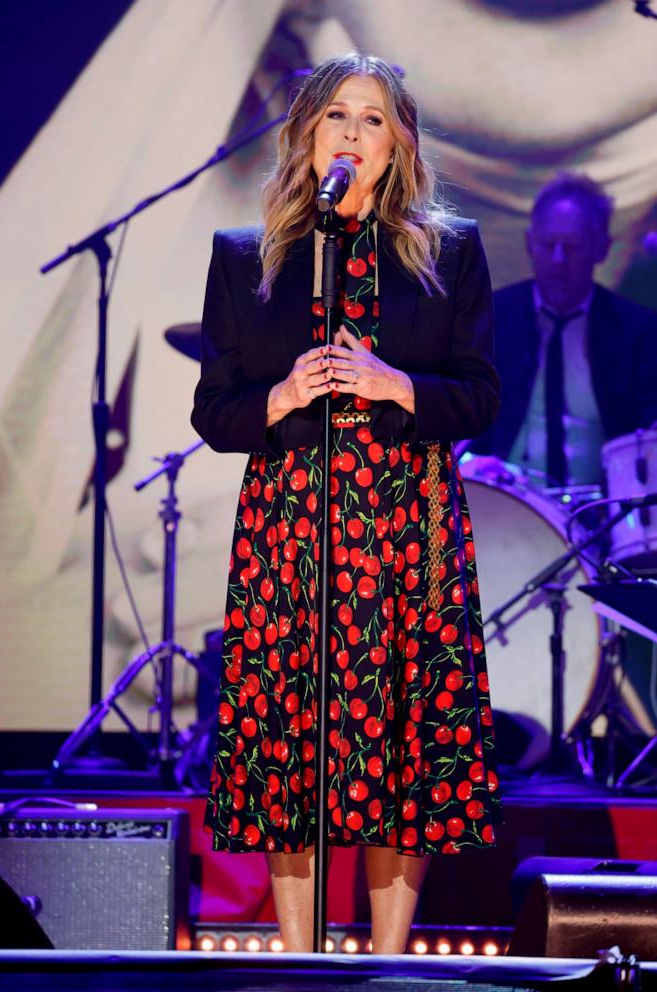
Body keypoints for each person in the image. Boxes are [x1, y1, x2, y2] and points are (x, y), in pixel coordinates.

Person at [191, 53, 501, 955]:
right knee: (291, 736)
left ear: (398, 141)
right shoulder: (252, 259)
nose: (352, 135)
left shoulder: (448, 249)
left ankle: (388, 962)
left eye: (372, 120)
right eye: (336, 118)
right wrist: (281, 398)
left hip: (407, 531)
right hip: (293, 535)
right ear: (306, 136)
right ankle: (298, 960)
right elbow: (215, 412)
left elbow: (480, 397)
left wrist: (395, 382)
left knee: (403, 741)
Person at [469, 173, 657, 487]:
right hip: (500, 503)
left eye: (572, 247)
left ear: (602, 249)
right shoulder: (492, 317)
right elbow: (456, 411)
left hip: (598, 515)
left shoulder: (636, 332)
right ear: (530, 244)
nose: (558, 259)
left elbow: (645, 433)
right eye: (548, 245)